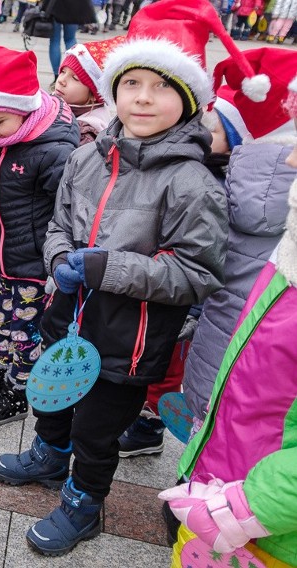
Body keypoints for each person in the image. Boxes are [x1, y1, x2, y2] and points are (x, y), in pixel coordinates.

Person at [0, 0, 232, 555]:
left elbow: (197, 273)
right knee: (48, 395)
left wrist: (105, 266)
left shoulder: (192, 182)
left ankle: (84, 502)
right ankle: (50, 458)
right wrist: (59, 263)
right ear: (113, 89)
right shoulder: (87, 156)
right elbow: (59, 222)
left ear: (189, 99)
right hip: (68, 314)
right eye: (132, 83)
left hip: (132, 337)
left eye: (161, 87)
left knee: (97, 430)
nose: (143, 97)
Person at [159, 81, 297, 566]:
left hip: (259, 500)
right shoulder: (280, 236)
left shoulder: (236, 192)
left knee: (217, 423)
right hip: (255, 478)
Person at [0, 47, 79, 427]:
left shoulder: (54, 150)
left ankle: (18, 390)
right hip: (7, 257)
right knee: (2, 319)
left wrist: (56, 263)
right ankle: (1, 364)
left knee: (27, 331)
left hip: (35, 264)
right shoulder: (4, 139)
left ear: (25, 110)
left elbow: (69, 213)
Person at [181, 47, 297, 429]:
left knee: (213, 425)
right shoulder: (278, 191)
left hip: (228, 335)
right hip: (260, 353)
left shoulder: (242, 184)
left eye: (214, 128)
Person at [53, 36, 126, 145]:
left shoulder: (85, 133)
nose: (61, 81)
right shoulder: (53, 105)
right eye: (63, 72)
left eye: (75, 78)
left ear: (94, 95)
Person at [43, 0, 97, 81]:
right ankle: (70, 71)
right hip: (74, 6)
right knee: (70, 39)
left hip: (55, 5)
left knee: (54, 41)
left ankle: (56, 76)